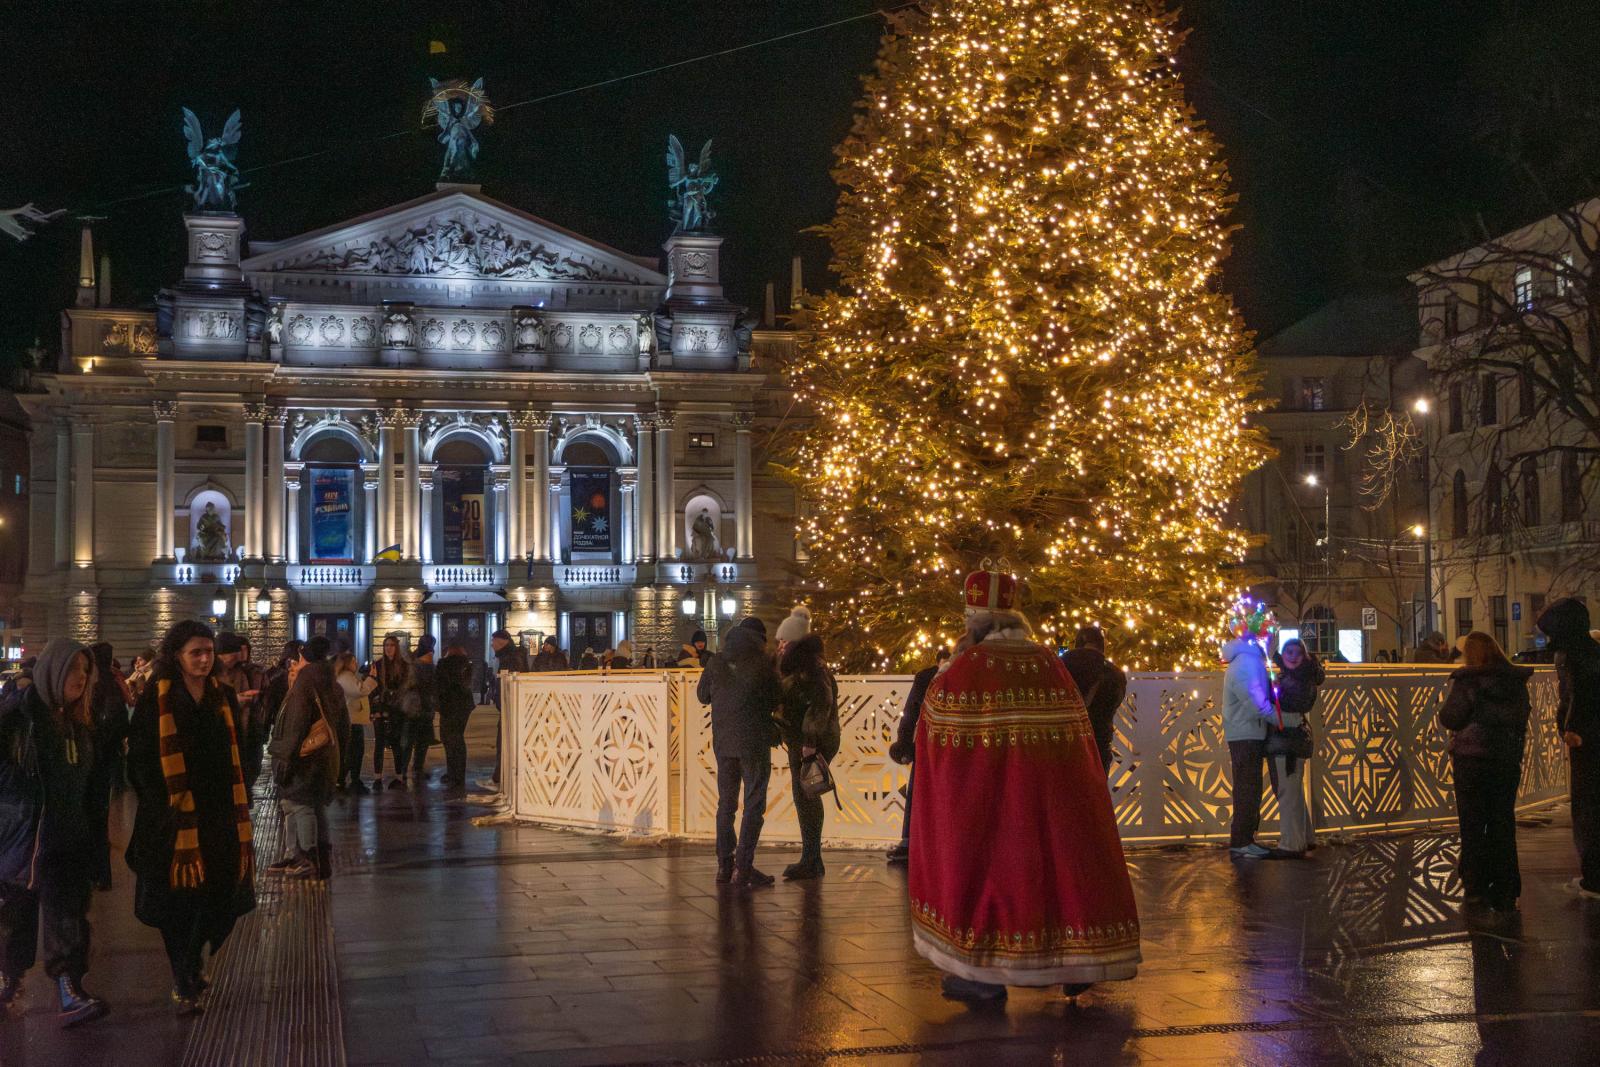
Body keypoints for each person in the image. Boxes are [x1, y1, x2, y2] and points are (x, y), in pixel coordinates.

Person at [910, 565, 1140, 1004]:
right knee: (1063, 876)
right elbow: (1081, 746)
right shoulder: (1048, 664)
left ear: (973, 621)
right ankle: (1076, 963)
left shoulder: (962, 672)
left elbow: (938, 749)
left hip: (988, 810)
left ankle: (982, 975)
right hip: (1053, 807)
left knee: (989, 884)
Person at [126, 621, 256, 1015]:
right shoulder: (157, 697)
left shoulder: (223, 696)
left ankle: (194, 959)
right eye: (195, 652)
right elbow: (141, 757)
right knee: (177, 902)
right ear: (176, 656)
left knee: (221, 895)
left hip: (218, 813)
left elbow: (243, 751)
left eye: (208, 651)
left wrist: (242, 796)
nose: (203, 659)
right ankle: (183, 975)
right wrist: (162, 800)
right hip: (174, 818)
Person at [0, 638, 109, 1026]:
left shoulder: (77, 723)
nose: (81, 678)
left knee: (68, 918)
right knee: (15, 918)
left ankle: (68, 990)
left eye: (86, 670)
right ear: (53, 671)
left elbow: (90, 787)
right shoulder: (20, 716)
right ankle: (9, 981)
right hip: (25, 837)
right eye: (74, 669)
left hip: (68, 838)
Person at [1439, 632, 1532, 912]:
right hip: (1505, 759)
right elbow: (1519, 717)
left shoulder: (1468, 680)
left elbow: (1450, 717)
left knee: (1473, 823)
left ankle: (1476, 886)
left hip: (1472, 761)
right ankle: (1505, 887)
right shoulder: (1515, 681)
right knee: (1502, 822)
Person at [697, 617, 781, 888]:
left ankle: (724, 865)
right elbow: (776, 698)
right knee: (754, 804)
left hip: (724, 743)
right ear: (759, 639)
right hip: (754, 742)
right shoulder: (763, 664)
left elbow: (702, 696)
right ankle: (743, 867)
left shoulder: (716, 662)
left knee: (727, 804)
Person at [1535, 598, 1600, 899]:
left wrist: (1570, 729)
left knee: (1587, 808)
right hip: (1589, 737)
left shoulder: (1573, 656)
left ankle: (1594, 879)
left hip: (1586, 741)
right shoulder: (1588, 651)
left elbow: (1578, 696)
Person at [267, 636, 345, 880]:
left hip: (305, 756)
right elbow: (344, 723)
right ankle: (311, 858)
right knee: (311, 806)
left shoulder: (305, 682)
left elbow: (295, 726)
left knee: (301, 806)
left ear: (305, 658)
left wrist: (283, 758)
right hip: (324, 755)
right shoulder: (330, 681)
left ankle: (306, 858)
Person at [776, 631, 840, 881]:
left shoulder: (811, 669)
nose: (781, 645)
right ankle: (811, 858)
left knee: (807, 794)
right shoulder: (804, 667)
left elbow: (820, 702)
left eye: (785, 641)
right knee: (806, 795)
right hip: (803, 740)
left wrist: (810, 741)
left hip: (810, 741)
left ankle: (811, 859)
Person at [887, 648, 950, 866]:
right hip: (929, 744)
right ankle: (909, 840)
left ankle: (915, 841)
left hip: (940, 745)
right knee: (917, 791)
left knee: (921, 792)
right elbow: (911, 711)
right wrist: (904, 743)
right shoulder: (925, 679)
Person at [1221, 628, 1276, 859]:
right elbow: (1255, 702)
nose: (1271, 640)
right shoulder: (1247, 663)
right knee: (1248, 786)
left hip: (1246, 731)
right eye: (1269, 636)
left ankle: (1245, 838)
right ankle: (1242, 839)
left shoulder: (1246, 660)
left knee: (1249, 785)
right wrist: (1281, 719)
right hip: (1246, 733)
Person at [1268, 638, 1321, 857]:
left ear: (1304, 656)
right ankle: (1305, 836)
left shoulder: (1301, 678)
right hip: (1292, 739)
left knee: (1287, 792)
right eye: (1287, 652)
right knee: (1293, 791)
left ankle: (1291, 844)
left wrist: (1275, 691)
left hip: (1288, 741)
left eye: (1296, 652)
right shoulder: (1298, 675)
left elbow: (1293, 701)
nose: (1291, 656)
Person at [86, 642, 131, 890]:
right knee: (99, 816)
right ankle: (101, 874)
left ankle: (99, 874)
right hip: (104, 755)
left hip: (96, 757)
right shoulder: (111, 678)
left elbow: (114, 715)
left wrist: (99, 741)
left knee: (94, 816)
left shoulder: (96, 681)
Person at [1060, 626, 1129, 774]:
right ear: (1101, 645)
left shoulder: (1062, 666)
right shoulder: (1114, 672)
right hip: (1099, 742)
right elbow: (1115, 703)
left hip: (1066, 743)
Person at [212, 633, 263, 792]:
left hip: (246, 731)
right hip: (223, 736)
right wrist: (236, 700)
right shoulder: (209, 677)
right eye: (232, 658)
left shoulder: (242, 671)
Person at [369, 636, 409, 790]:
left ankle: (399, 776)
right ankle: (377, 778)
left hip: (397, 710)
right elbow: (373, 686)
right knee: (379, 743)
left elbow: (405, 687)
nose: (389, 648)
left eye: (392, 645)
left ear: (396, 647)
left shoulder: (403, 666)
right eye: (386, 645)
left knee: (397, 743)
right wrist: (373, 708)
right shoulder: (378, 665)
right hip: (381, 708)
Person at [334, 652, 377, 795]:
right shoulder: (346, 677)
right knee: (354, 751)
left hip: (353, 719)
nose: (356, 664)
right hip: (351, 720)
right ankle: (345, 781)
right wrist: (371, 678)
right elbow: (360, 690)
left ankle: (348, 780)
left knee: (354, 751)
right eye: (353, 661)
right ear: (347, 663)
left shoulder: (348, 676)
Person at [397, 636, 437, 790]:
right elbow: (411, 683)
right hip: (417, 706)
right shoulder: (416, 661)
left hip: (421, 706)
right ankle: (408, 769)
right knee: (414, 741)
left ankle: (414, 768)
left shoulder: (416, 660)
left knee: (420, 741)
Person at [489, 631, 528, 787]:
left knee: (507, 741)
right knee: (504, 740)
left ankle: (504, 775)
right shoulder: (507, 656)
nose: (491, 644)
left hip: (512, 707)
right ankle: (501, 774)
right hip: (508, 706)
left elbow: (513, 683)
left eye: (493, 640)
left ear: (502, 641)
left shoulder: (511, 657)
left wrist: (502, 699)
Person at [436, 645, 475, 799]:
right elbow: (465, 684)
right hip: (463, 706)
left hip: (449, 706)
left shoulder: (443, 665)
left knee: (448, 739)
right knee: (457, 739)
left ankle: (453, 774)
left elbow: (440, 685)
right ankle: (458, 775)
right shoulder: (467, 665)